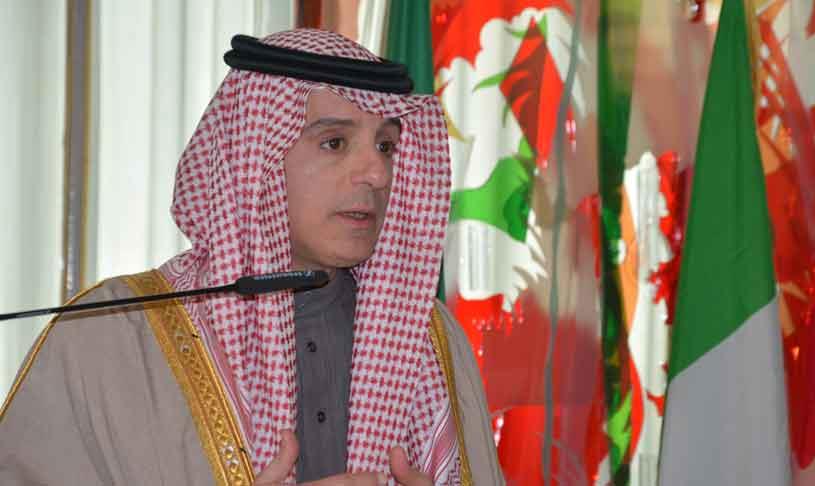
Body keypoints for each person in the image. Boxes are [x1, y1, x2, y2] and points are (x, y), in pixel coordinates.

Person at [0, 29, 503, 485]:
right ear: (255, 156)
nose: (376, 173)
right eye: (334, 142)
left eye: (386, 146)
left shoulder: (430, 339)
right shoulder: (111, 334)